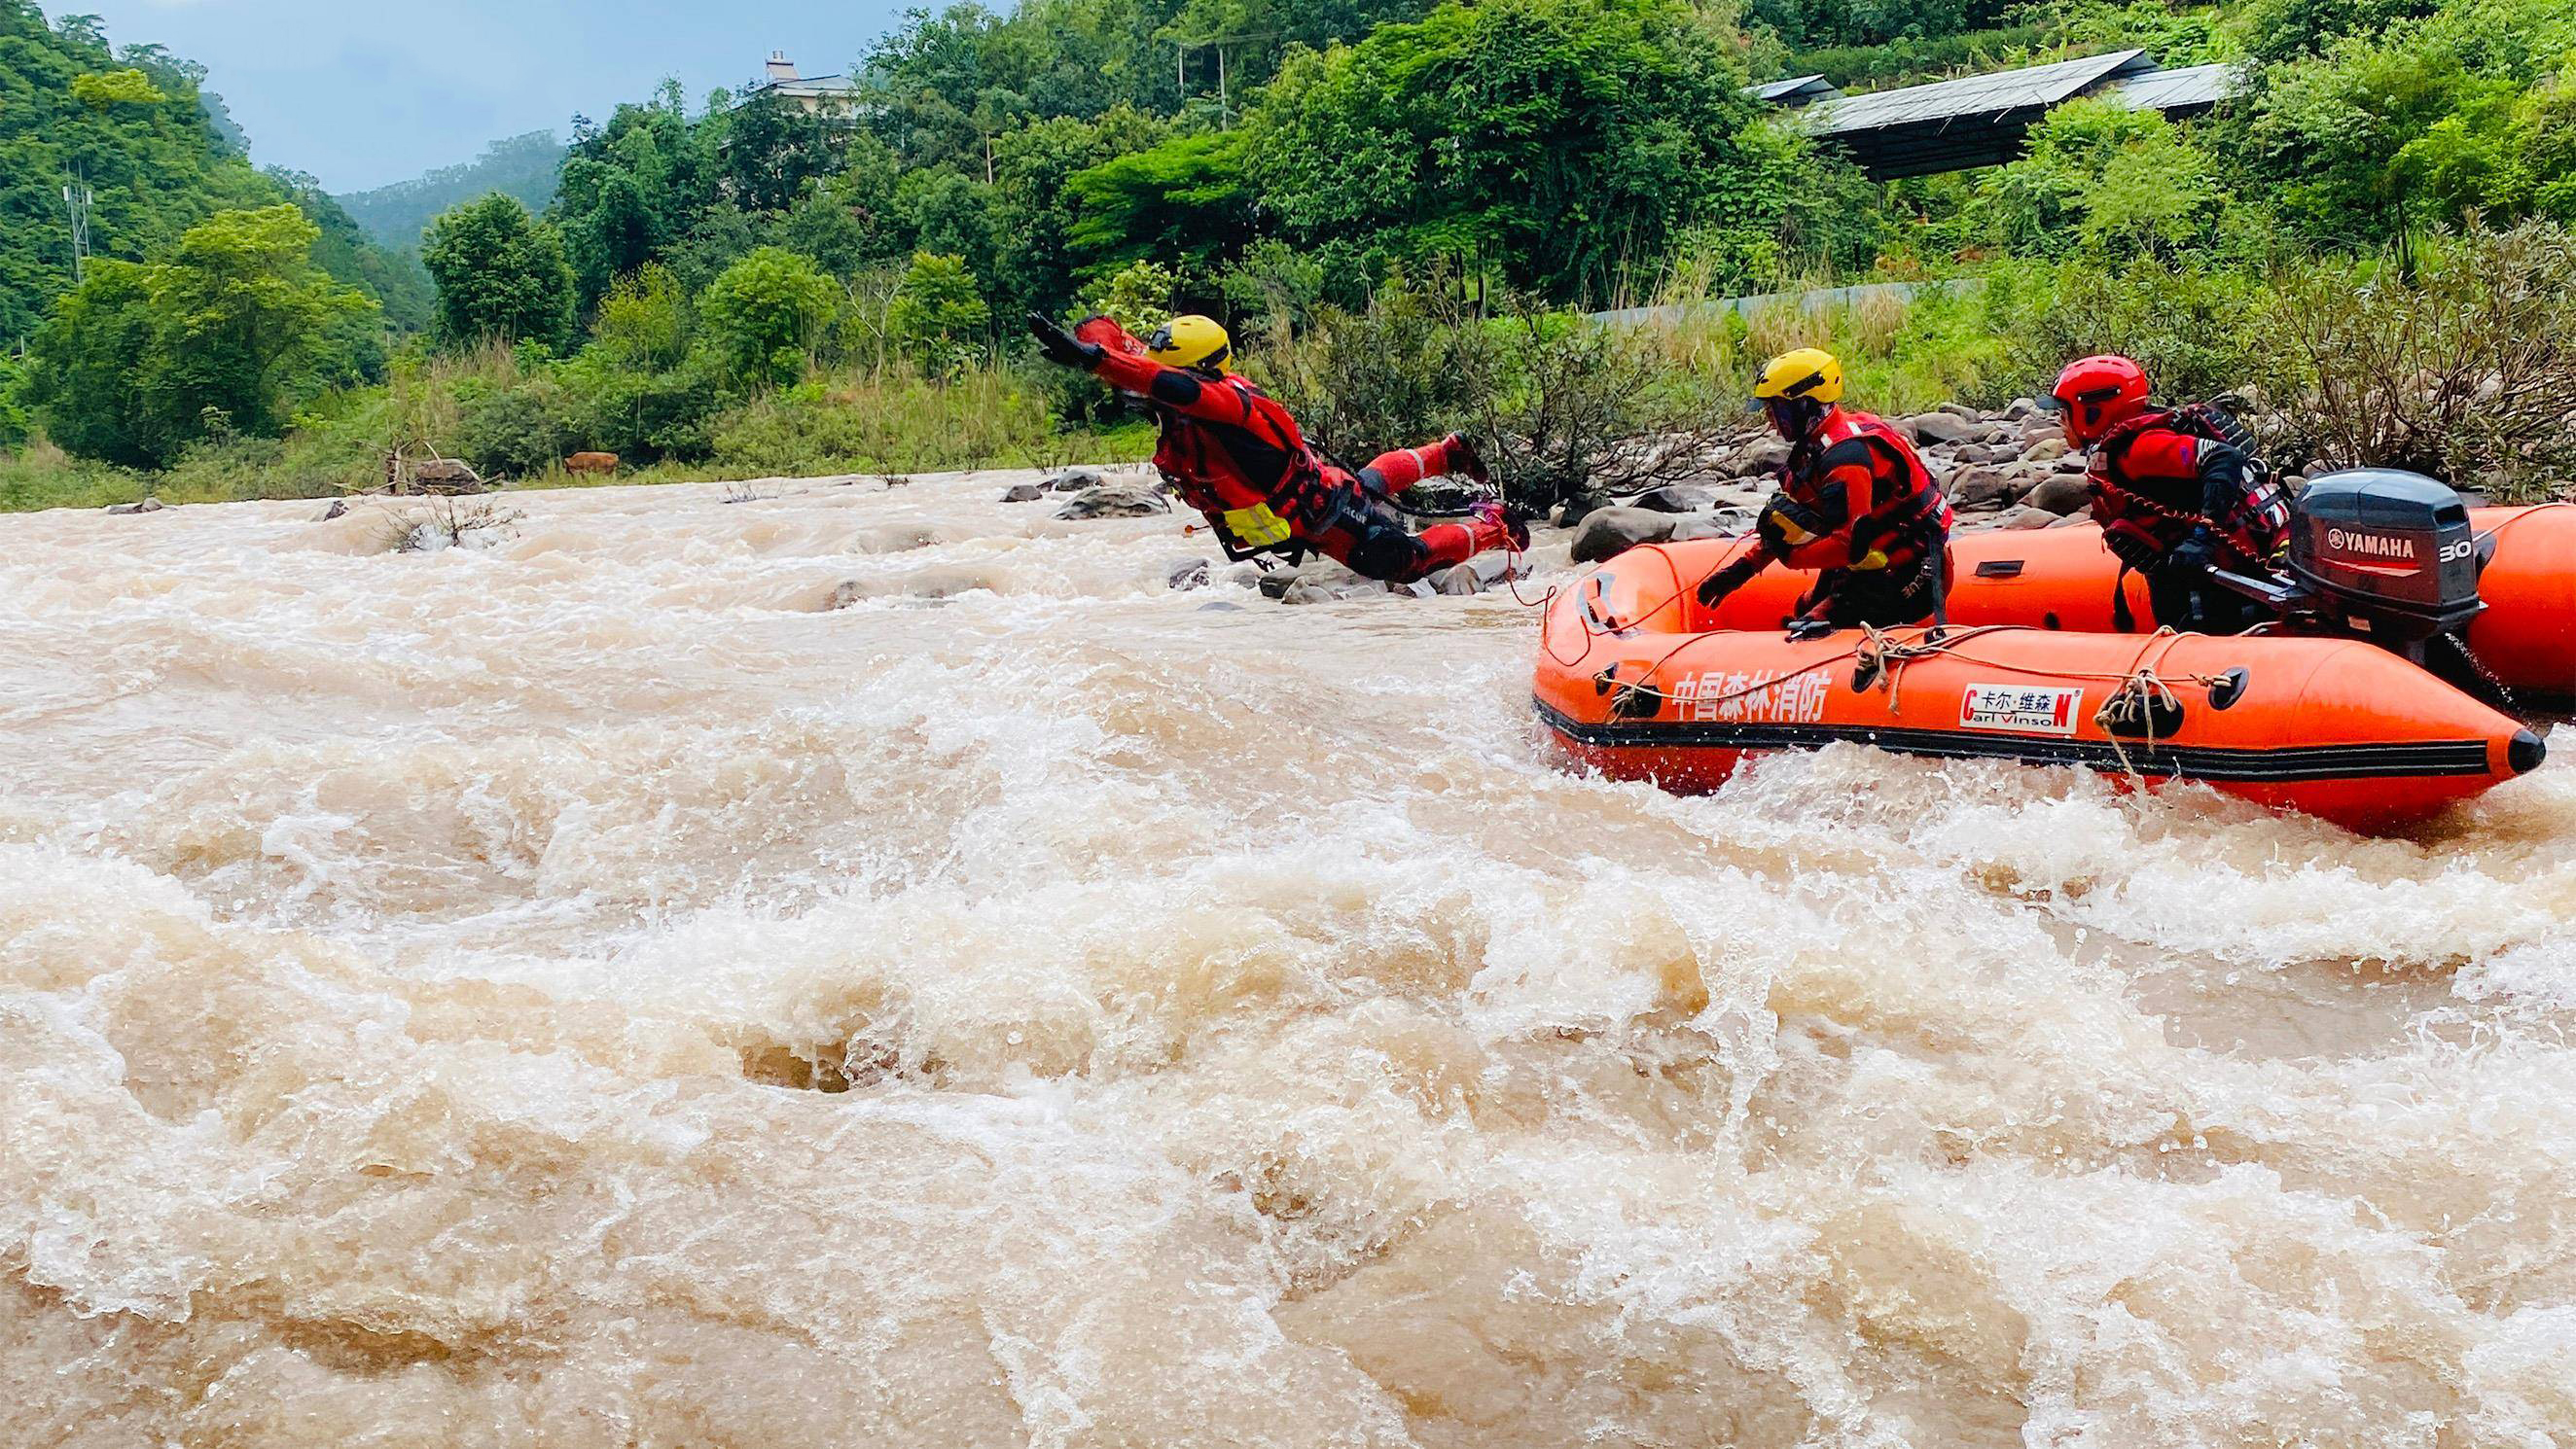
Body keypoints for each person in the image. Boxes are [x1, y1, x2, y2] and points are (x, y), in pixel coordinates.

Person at [1026, 311, 1526, 583]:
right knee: (1366, 484)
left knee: (1398, 560)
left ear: (1197, 371)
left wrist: (1097, 363)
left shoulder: (1221, 403)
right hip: (1303, 503)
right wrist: (1091, 347)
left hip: (1319, 514)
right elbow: (1123, 346)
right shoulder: (1177, 382)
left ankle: (1494, 530)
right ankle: (1444, 452)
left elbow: (1165, 384)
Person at [1695, 347, 1952, 638]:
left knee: (1811, 627)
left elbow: (1848, 544)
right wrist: (1742, 569)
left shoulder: (1847, 460)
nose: (1770, 420)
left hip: (1911, 573)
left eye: (1775, 409)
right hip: (1869, 565)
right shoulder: (1817, 447)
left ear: (1804, 405)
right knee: (1805, 608)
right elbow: (1794, 526)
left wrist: (1792, 559)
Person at [2049, 354, 2290, 633]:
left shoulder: (2140, 449)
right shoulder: (2118, 446)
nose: (2060, 420)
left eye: (2064, 412)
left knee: (2200, 626)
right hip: (2187, 569)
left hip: (2227, 570)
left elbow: (2224, 458)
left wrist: (2204, 538)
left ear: (2094, 410)